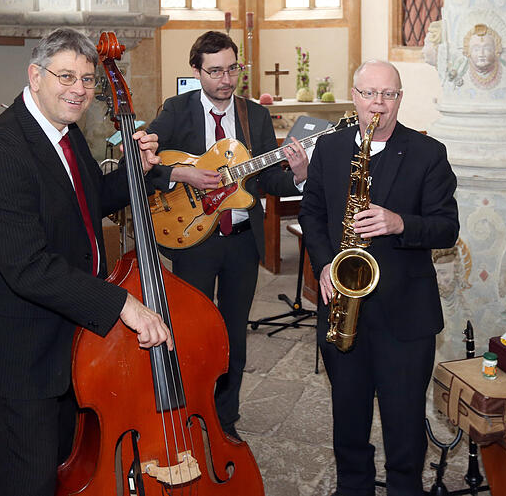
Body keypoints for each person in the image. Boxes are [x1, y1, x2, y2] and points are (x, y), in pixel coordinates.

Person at [0, 28, 173, 496]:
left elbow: (88, 199)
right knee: (28, 482)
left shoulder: (62, 132)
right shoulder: (2, 153)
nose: (79, 90)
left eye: (89, 80)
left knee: (65, 468)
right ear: (35, 76)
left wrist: (140, 171)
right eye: (66, 76)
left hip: (63, 336)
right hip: (16, 352)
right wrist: (122, 305)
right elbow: (28, 267)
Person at [299, 60, 460, 496]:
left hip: (405, 316)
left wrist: (399, 223)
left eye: (388, 95)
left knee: (404, 420)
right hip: (342, 306)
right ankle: (354, 487)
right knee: (348, 416)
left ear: (399, 99)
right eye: (369, 93)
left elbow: (447, 227)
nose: (378, 104)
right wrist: (325, 264)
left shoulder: (428, 153)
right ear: (354, 96)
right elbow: (311, 212)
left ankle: (405, 488)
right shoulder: (331, 150)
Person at [145, 30, 308, 440]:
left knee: (234, 332)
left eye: (232, 69)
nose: (225, 79)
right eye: (215, 71)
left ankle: (225, 419)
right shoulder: (176, 110)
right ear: (197, 71)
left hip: (239, 242)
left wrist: (300, 174)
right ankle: (187, 412)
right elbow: (144, 162)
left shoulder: (254, 117)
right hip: (192, 241)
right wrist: (179, 173)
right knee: (191, 330)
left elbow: (269, 179)